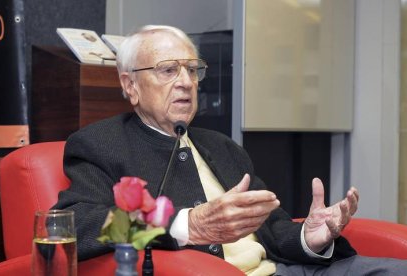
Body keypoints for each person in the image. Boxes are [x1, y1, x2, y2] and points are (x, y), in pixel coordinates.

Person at [53, 25, 407, 275]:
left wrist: (309, 238)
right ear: (130, 85)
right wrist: (186, 225)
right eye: (168, 70)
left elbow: (271, 227)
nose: (186, 82)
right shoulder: (100, 144)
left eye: (193, 70)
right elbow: (78, 226)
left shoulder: (222, 146)